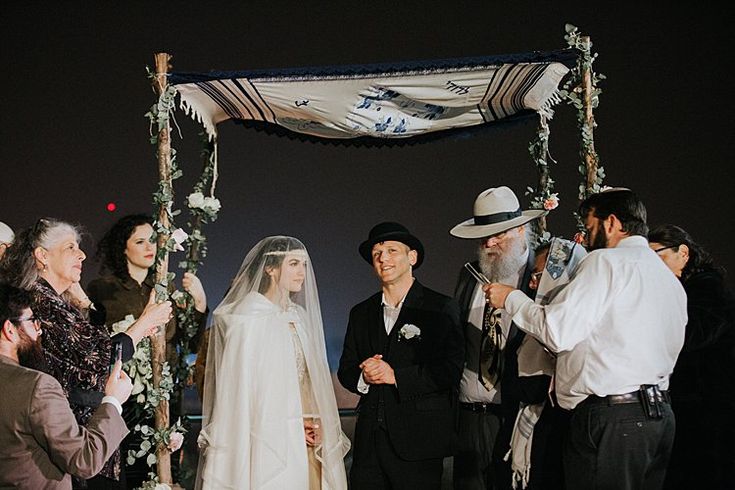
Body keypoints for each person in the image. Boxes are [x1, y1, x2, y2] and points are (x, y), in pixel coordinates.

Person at [484, 188, 687, 490]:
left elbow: (557, 332)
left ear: (612, 223)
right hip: (659, 417)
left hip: (612, 420)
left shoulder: (605, 262)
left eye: (590, 228)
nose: (589, 239)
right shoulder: (666, 278)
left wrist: (511, 298)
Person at [0, 218, 172, 489]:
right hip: (76, 435)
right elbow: (98, 355)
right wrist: (145, 324)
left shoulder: (56, 299)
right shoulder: (39, 301)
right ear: (42, 256)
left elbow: (89, 338)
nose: (81, 254)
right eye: (70, 247)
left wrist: (82, 300)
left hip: (90, 427)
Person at [195, 236, 350, 490]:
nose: (301, 272)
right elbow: (242, 389)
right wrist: (289, 422)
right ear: (270, 268)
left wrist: (316, 421)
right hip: (266, 434)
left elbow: (309, 380)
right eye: (293, 264)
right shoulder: (247, 317)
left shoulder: (297, 316)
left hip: (307, 432)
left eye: (303, 265)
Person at [338, 222, 464, 490]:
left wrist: (395, 376)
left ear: (412, 257)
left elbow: (451, 370)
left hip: (419, 443)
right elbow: (346, 369)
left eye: (392, 250)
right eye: (377, 253)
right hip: (369, 446)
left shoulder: (440, 307)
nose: (383, 258)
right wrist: (364, 376)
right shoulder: (360, 313)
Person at [86, 213, 207, 487]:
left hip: (165, 394)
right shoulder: (103, 289)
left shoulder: (166, 287)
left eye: (153, 240)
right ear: (123, 247)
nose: (150, 247)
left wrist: (200, 303)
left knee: (167, 469)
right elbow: (98, 345)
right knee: (132, 469)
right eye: (140, 241)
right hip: (128, 396)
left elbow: (186, 342)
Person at [449, 186, 548, 490]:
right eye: (484, 235)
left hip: (517, 414)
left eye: (499, 234)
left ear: (520, 229)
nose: (489, 243)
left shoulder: (542, 276)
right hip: (470, 417)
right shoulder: (469, 275)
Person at [0, 283, 132, 490]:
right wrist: (113, 401)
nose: (39, 329)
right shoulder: (37, 386)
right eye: (33, 321)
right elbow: (83, 459)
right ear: (9, 329)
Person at [648, 224, 735, 490]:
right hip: (693, 400)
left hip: (707, 402)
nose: (652, 266)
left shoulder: (707, 287)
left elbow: (695, 333)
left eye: (658, 256)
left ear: (683, 252)